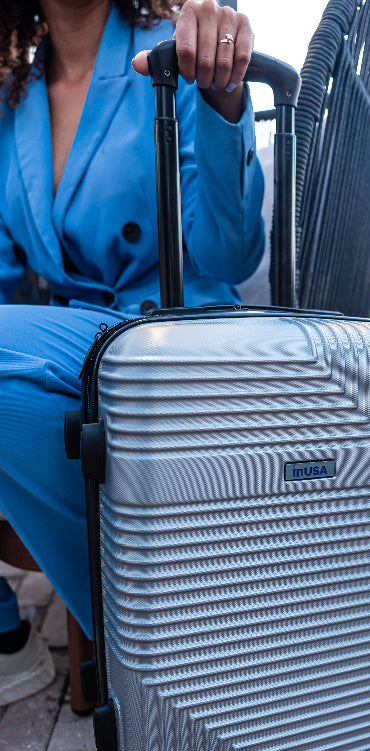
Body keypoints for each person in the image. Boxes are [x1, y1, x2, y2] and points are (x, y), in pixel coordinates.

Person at [0, 0, 265, 706]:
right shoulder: (12, 102)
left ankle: (158, 636)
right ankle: (25, 636)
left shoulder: (177, 47)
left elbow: (229, 254)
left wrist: (221, 94)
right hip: (70, 357)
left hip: (172, 342)